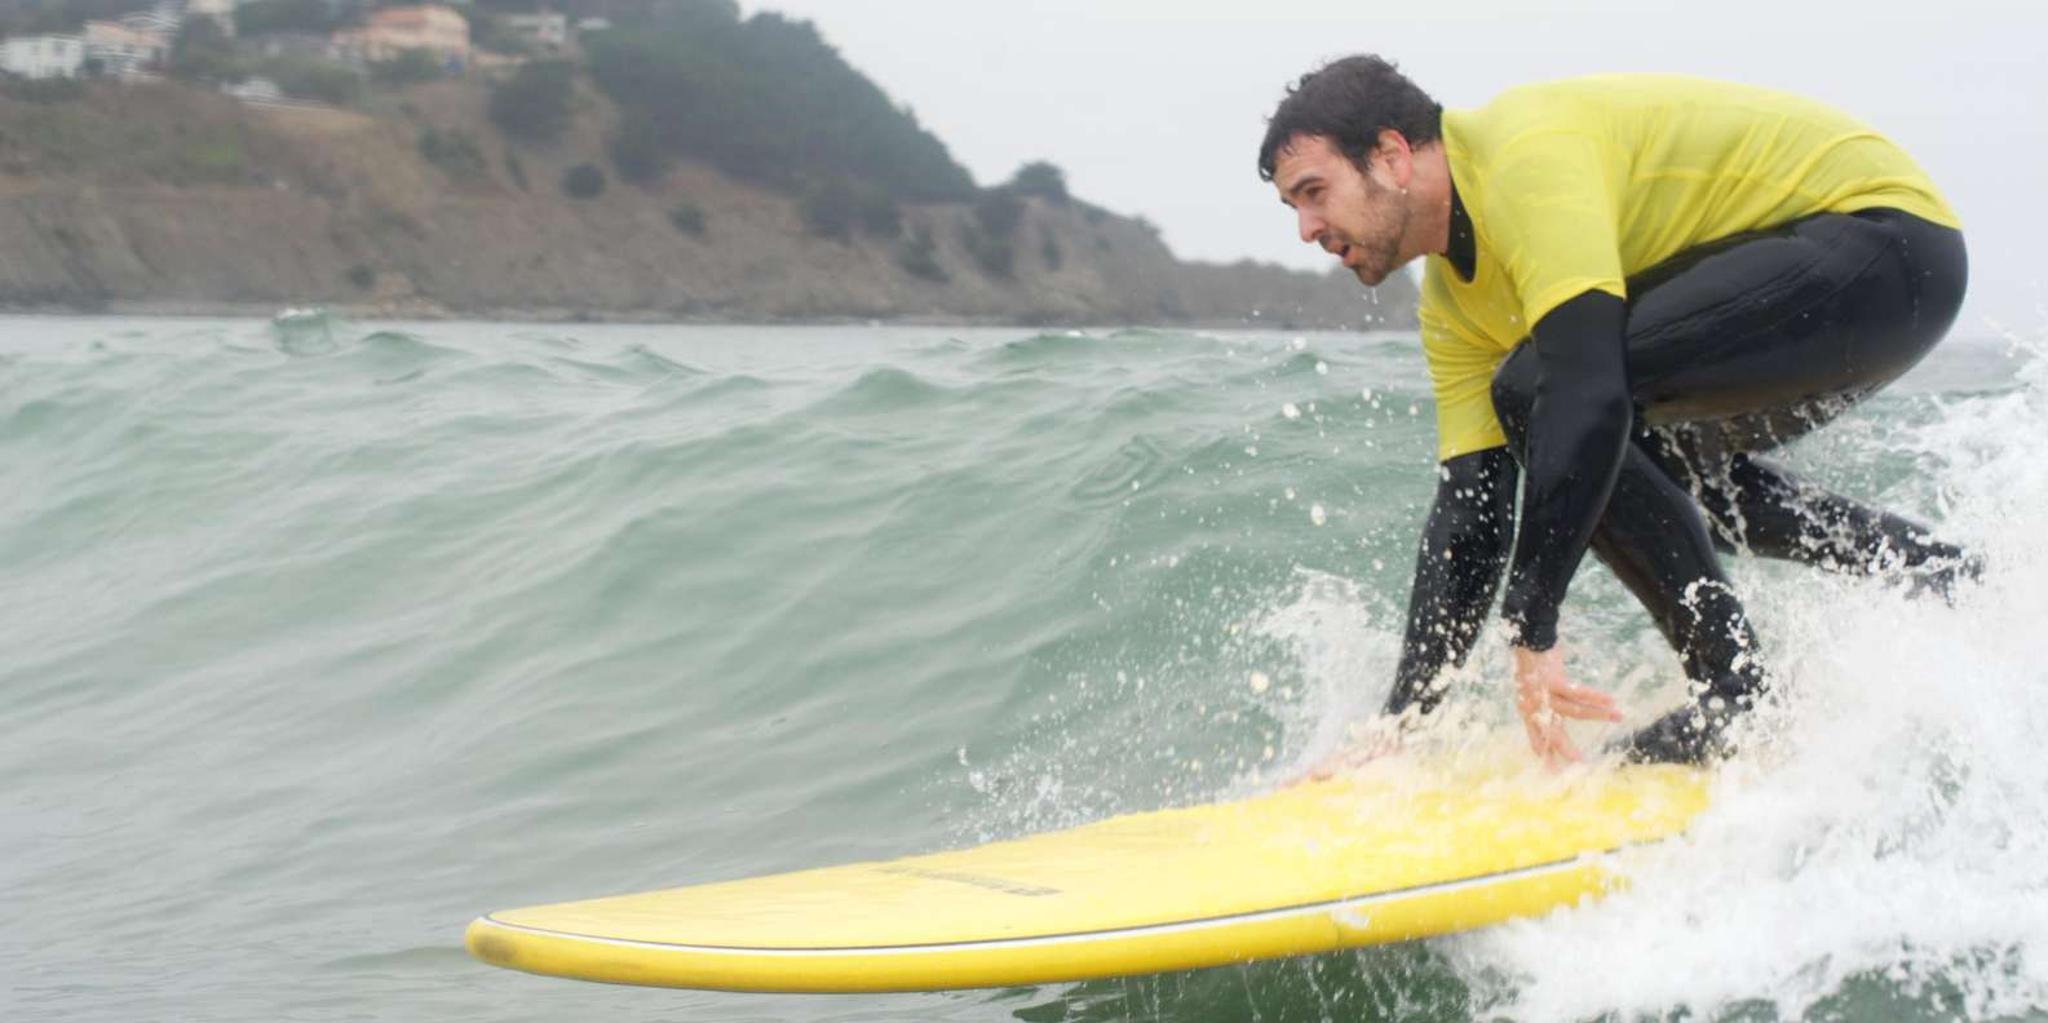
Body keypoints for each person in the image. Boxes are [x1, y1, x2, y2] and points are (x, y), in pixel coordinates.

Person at [1258, 58, 1977, 765]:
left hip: (1885, 240)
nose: (1307, 228)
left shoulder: (1521, 158)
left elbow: (1585, 390)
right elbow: (1470, 517)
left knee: (1547, 393)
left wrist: (1531, 623)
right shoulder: (1453, 308)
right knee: (1658, 482)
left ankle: (1737, 695)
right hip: (1847, 278)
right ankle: (1945, 575)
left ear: (1390, 156)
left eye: (1315, 192)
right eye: (1294, 207)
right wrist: (1400, 724)